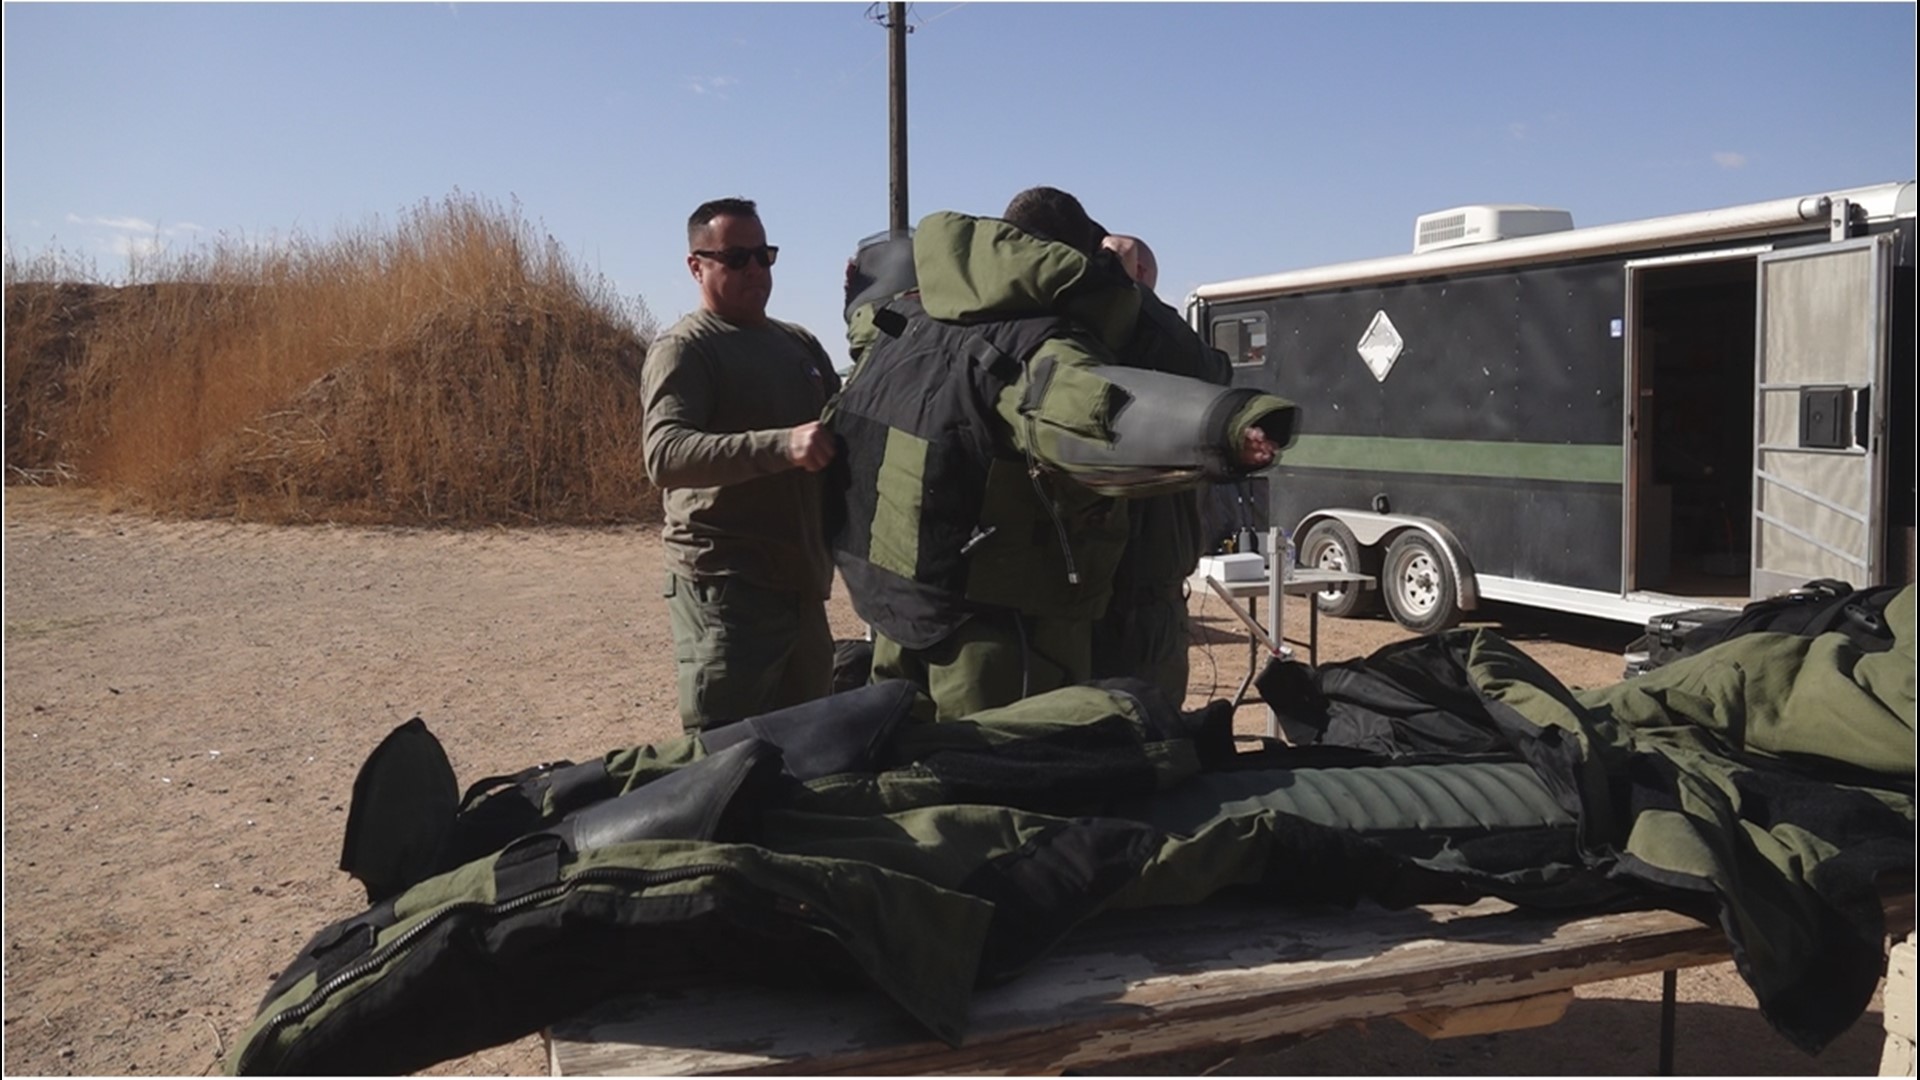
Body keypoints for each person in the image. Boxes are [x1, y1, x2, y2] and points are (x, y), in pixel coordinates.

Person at [827, 187, 1294, 719]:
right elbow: (1094, 409)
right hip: (1029, 626)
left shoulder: (912, 324)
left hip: (910, 612)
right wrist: (1229, 428)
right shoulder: (1040, 340)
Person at [641, 196, 841, 733]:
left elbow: (846, 427)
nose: (755, 269)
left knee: (811, 753)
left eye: (763, 255)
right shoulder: (686, 349)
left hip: (799, 586)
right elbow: (666, 455)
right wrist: (783, 445)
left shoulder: (797, 343)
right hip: (727, 590)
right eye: (736, 258)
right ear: (696, 266)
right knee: (724, 758)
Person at [1090, 233, 1233, 706]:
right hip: (1128, 591)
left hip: (1136, 590)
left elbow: (1212, 373)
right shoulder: (1119, 339)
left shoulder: (1152, 343)